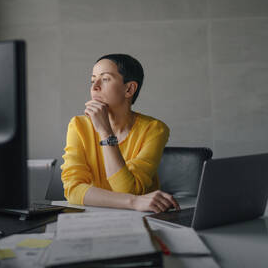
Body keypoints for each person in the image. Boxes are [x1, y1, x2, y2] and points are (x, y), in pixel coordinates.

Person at [61, 54, 180, 213]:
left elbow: (126, 190)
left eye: (105, 79)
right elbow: (73, 189)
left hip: (141, 218)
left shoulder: (154, 129)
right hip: (94, 216)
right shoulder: (78, 125)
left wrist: (105, 132)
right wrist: (134, 202)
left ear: (129, 89)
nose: (94, 86)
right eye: (92, 80)